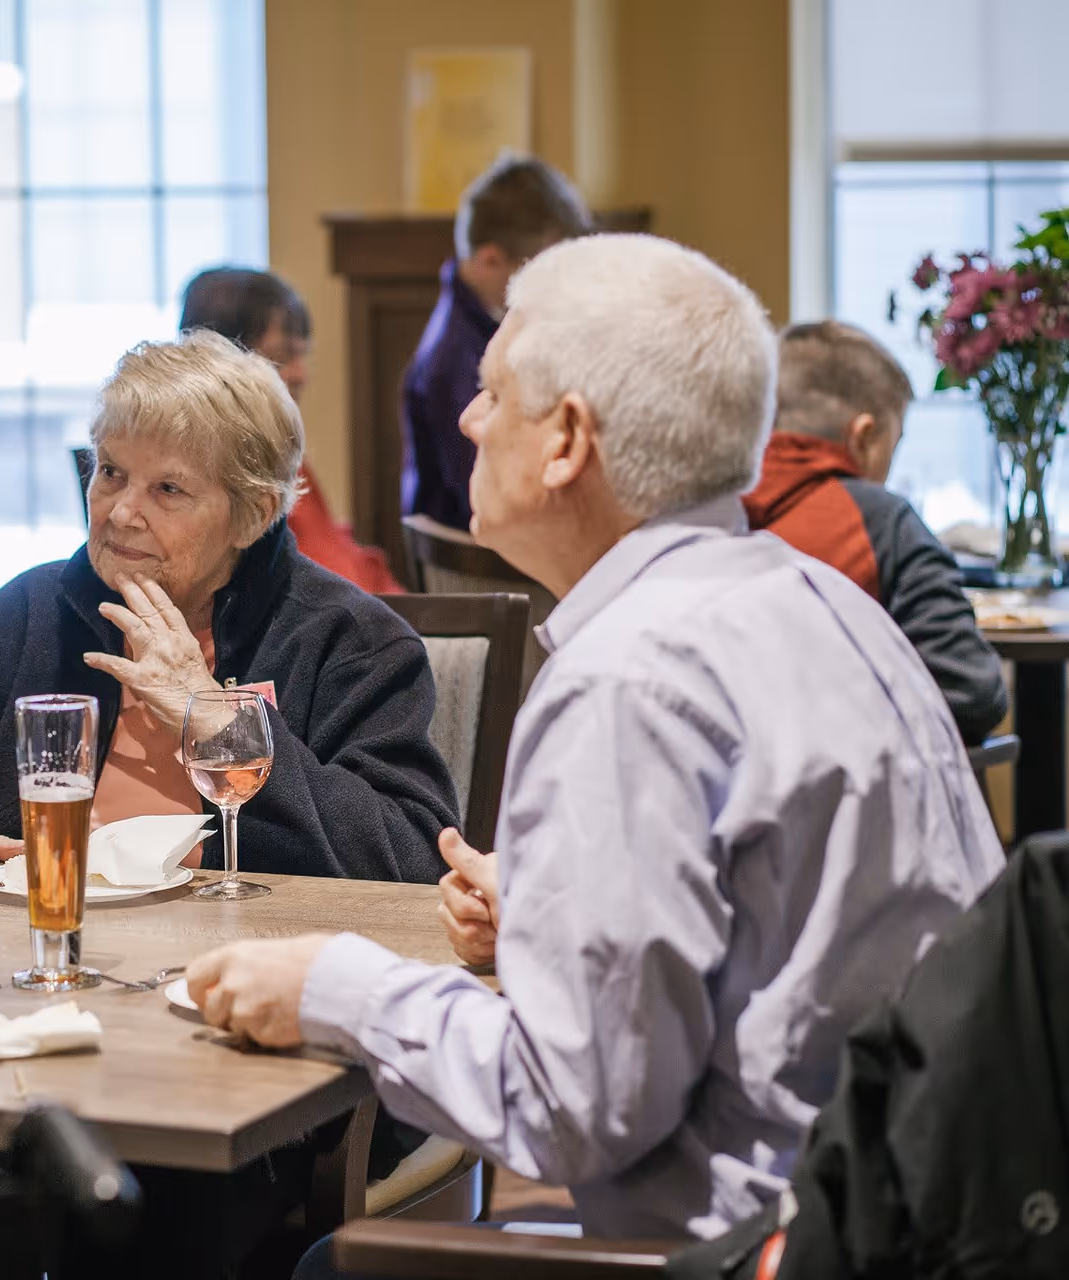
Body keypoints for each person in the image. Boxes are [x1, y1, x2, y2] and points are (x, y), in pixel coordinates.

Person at [186, 236, 1003, 1259]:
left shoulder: (631, 674)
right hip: (929, 1214)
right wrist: (547, 918)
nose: (469, 418)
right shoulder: (820, 599)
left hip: (772, 1248)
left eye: (493, 392)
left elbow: (578, 1107)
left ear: (567, 436)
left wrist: (336, 986)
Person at [0, 331, 459, 882]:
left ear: (253, 515)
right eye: (111, 472)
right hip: (40, 952)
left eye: (169, 489)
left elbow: (410, 858)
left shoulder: (351, 641)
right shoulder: (29, 614)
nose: (122, 512)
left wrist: (214, 717)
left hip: (245, 961)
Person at [743, 320, 1007, 743]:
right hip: (839, 796)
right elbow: (969, 693)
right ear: (864, 436)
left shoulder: (700, 506)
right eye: (894, 444)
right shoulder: (881, 521)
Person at [180, 267, 405, 594]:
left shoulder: (273, 440)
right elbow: (329, 576)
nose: (301, 374)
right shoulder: (232, 459)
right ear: (226, 360)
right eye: (283, 357)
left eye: (302, 355)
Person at [400, 154, 591, 528]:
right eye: (543, 270)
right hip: (475, 566)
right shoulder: (452, 359)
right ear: (489, 260)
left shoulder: (485, 324)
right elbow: (490, 492)